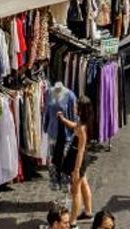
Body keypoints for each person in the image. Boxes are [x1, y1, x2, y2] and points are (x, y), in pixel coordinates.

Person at [46, 81, 91, 223]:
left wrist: (76, 170)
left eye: (77, 106)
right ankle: (88, 212)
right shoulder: (81, 123)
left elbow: (81, 151)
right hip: (78, 156)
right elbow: (74, 126)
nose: (75, 107)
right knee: (84, 183)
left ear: (82, 109)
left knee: (75, 191)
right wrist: (63, 119)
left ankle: (73, 222)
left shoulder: (82, 129)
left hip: (78, 158)